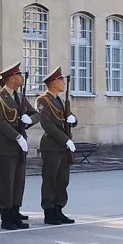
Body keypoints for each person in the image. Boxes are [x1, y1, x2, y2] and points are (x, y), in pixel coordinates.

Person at [0, 62, 37, 229]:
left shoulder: (20, 97)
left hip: (20, 147)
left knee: (19, 181)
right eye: (19, 75)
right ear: (11, 78)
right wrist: (17, 136)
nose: (21, 78)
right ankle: (6, 216)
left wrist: (30, 120)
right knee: (6, 181)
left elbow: (35, 114)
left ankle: (15, 210)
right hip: (6, 146)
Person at [36, 67, 79, 223]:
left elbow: (69, 116)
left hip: (62, 147)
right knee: (50, 179)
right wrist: (65, 140)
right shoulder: (43, 100)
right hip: (52, 146)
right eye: (61, 80)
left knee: (63, 180)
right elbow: (48, 125)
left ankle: (59, 209)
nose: (63, 83)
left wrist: (73, 120)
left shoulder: (60, 100)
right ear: (54, 83)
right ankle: (49, 211)